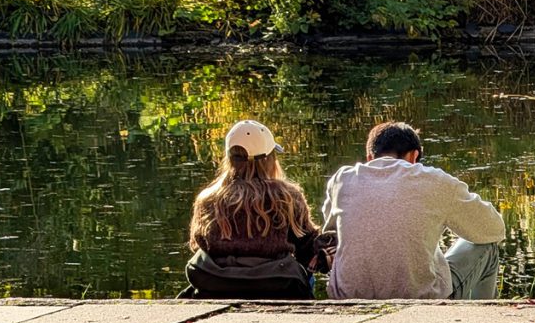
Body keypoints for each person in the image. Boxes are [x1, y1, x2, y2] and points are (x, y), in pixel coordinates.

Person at [321, 121, 505, 300]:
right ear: (413, 157)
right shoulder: (435, 181)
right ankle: (480, 318)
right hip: (421, 298)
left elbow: (329, 229)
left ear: (370, 158)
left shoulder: (342, 180)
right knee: (487, 247)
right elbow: (495, 229)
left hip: (347, 298)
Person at [179, 119, 322, 299]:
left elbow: (197, 244)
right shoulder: (287, 197)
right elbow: (308, 246)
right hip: (275, 285)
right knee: (305, 271)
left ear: (229, 158)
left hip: (216, 284)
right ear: (269, 159)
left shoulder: (208, 199)